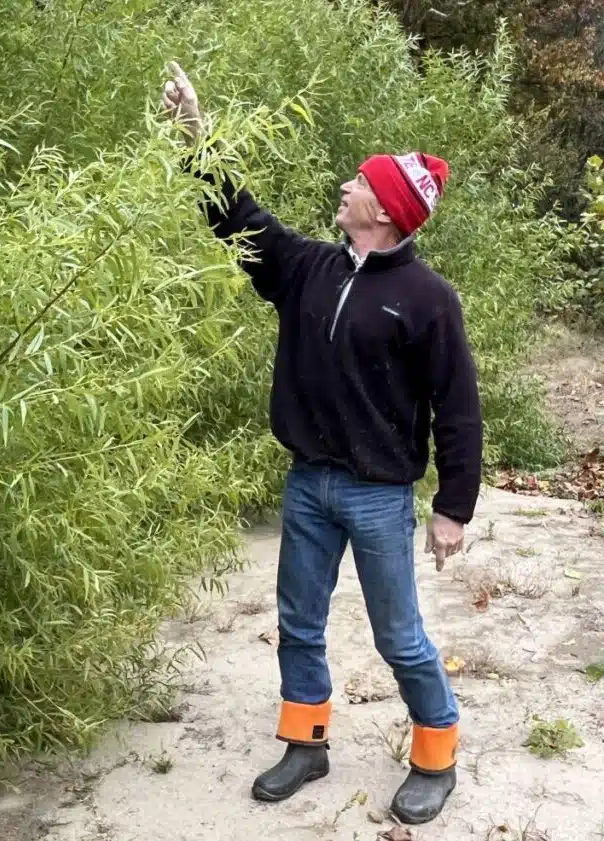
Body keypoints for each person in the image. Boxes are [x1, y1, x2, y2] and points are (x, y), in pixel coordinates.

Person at [160, 61, 482, 825]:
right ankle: (306, 740)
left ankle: (437, 753)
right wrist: (193, 134)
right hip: (309, 482)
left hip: (378, 494)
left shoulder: (429, 300)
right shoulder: (308, 266)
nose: (345, 186)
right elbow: (236, 217)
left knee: (398, 635)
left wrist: (452, 508)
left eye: (359, 183)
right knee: (298, 619)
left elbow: (458, 409)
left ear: (387, 211)